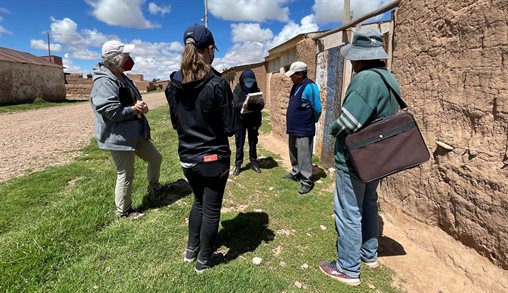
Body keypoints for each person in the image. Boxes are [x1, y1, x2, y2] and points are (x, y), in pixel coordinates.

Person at [318, 28, 401, 286]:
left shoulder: (365, 79)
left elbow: (349, 122)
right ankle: (369, 254)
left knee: (348, 211)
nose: (352, 62)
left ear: (362, 57)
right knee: (369, 203)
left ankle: (348, 268)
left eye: (354, 57)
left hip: (355, 157)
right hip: (378, 157)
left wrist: (332, 128)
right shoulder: (389, 78)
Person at [165, 24, 236, 273]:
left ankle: (190, 251)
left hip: (188, 159)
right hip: (213, 159)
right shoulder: (217, 84)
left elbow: (176, 123)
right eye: (213, 49)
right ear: (209, 50)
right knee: (211, 209)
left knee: (198, 202)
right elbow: (230, 128)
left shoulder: (172, 86)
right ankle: (203, 261)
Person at [90, 40, 165, 219]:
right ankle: (124, 211)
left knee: (155, 158)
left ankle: (154, 188)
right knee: (126, 173)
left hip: (135, 132)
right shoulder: (104, 81)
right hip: (118, 136)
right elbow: (110, 111)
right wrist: (134, 110)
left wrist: (141, 107)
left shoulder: (123, 77)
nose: (130, 59)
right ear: (116, 58)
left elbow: (132, 101)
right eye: (126, 56)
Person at [283, 61, 322, 194]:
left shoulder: (311, 87)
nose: (290, 77)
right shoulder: (295, 86)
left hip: (304, 128)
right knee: (293, 152)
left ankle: (306, 181)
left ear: (300, 74)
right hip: (293, 127)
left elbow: (317, 109)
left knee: (304, 155)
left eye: (292, 75)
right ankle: (295, 172)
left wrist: (311, 121)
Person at [232, 69, 264, 176]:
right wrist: (244, 104)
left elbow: (261, 104)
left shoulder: (256, 89)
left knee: (253, 141)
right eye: (247, 81)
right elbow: (234, 104)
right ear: (242, 80)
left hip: (253, 120)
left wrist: (253, 104)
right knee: (239, 143)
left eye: (251, 81)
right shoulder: (237, 89)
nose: (249, 83)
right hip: (240, 120)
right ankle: (238, 164)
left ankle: (253, 162)